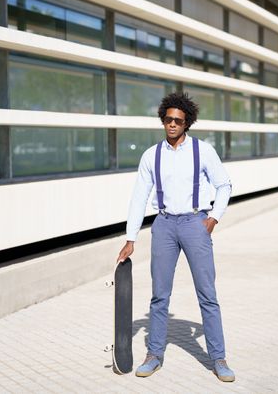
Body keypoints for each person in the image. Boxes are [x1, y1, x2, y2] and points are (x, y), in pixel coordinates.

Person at [117, 92, 235, 382]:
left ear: (187, 123)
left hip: (196, 223)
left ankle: (218, 358)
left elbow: (224, 185)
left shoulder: (203, 151)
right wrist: (131, 238)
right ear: (162, 120)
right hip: (164, 225)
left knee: (207, 295)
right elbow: (138, 198)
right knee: (160, 296)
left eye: (178, 121)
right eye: (168, 119)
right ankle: (154, 354)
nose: (172, 124)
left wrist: (212, 219)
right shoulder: (151, 155)